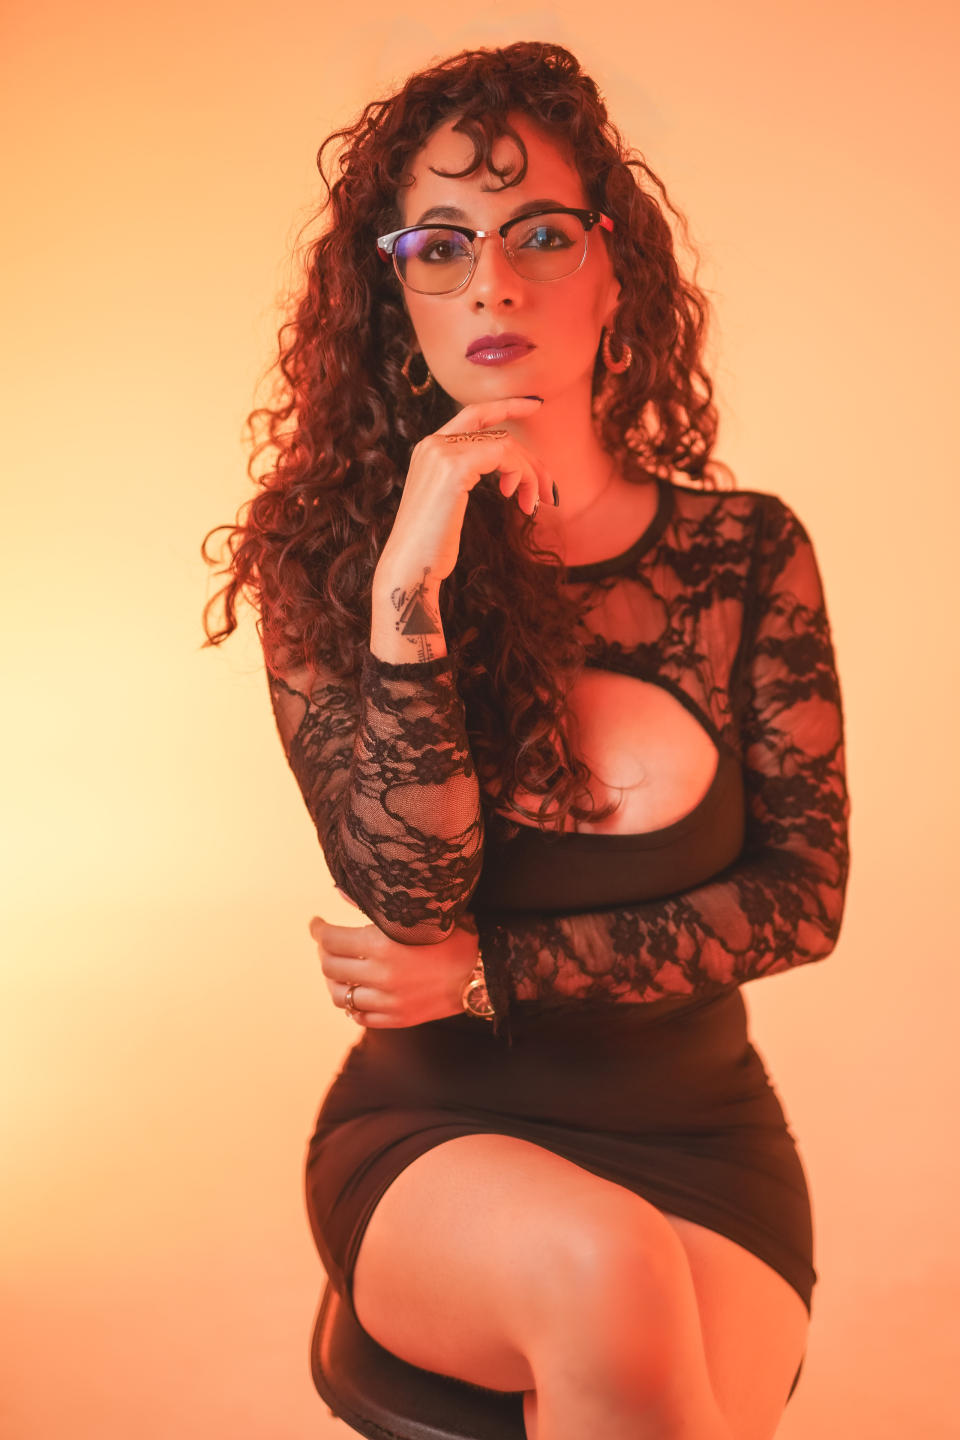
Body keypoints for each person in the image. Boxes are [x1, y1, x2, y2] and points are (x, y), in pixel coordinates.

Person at [202, 40, 850, 1440]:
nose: (492, 281)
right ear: (399, 300)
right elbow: (410, 891)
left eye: (540, 234)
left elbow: (803, 902)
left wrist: (494, 972)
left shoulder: (748, 555)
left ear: (616, 272)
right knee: (610, 1267)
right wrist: (410, 582)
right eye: (440, 246)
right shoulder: (330, 567)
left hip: (705, 1144)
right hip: (436, 1143)